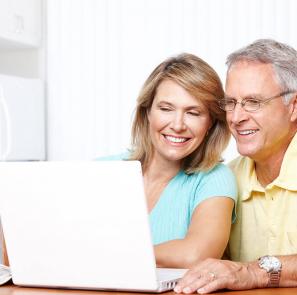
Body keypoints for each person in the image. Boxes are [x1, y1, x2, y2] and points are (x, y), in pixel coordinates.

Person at [174, 39, 297, 293]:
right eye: (231, 102)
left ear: (294, 106)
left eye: (253, 102)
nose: (237, 117)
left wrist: (252, 272)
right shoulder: (223, 180)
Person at [100, 53, 237, 268]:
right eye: (166, 109)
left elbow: (197, 255)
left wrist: (113, 256)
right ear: (147, 112)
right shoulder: (102, 171)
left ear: (210, 122)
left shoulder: (215, 179)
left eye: (193, 112)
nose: (178, 124)